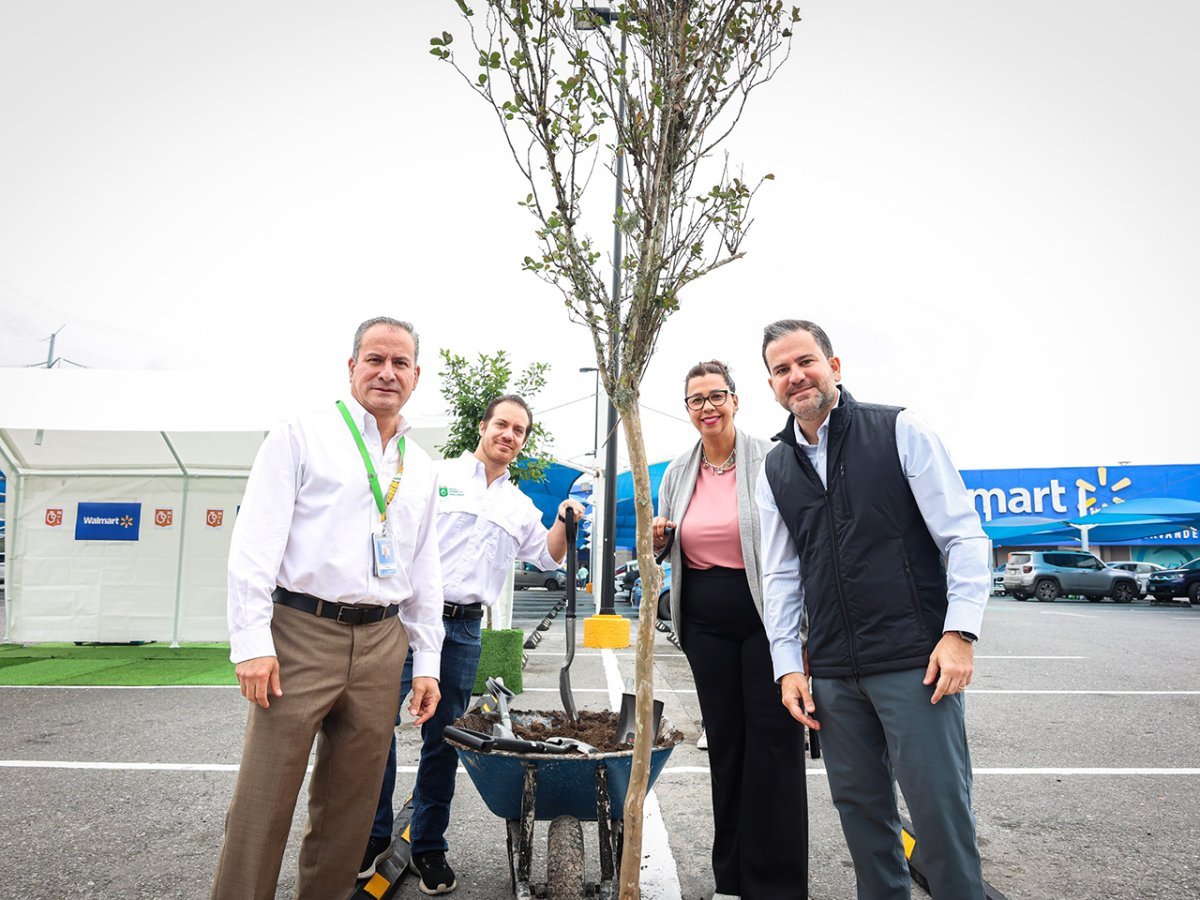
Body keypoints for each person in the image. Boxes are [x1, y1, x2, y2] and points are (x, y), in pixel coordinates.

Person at [210, 317, 445, 900]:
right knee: (265, 799)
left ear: (416, 375)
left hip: (382, 642)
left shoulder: (420, 466)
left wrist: (426, 662)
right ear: (352, 367)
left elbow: (424, 571)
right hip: (298, 633)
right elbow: (254, 544)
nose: (387, 372)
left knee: (352, 807)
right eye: (374, 359)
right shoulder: (299, 434)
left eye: (400, 363)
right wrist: (253, 642)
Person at [756, 319, 989, 899]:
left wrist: (959, 633)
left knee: (940, 817)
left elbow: (963, 537)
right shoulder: (776, 467)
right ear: (772, 386)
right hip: (833, 674)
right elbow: (781, 575)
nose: (796, 376)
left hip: (917, 664)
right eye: (781, 369)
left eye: (805, 361)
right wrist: (789, 666)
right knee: (862, 819)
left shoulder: (899, 430)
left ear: (835, 367)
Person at [363, 394, 585, 895]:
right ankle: (374, 836)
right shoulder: (432, 475)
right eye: (501, 425)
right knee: (376, 730)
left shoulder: (520, 506)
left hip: (463, 629)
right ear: (482, 427)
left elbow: (549, 557)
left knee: (445, 739)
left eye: (519, 431)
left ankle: (427, 847)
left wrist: (565, 521)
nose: (509, 435)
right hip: (403, 618)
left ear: (523, 442)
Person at [652, 360, 809, 900]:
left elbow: (797, 541)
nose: (707, 407)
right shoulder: (677, 472)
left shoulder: (771, 460)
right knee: (727, 746)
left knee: (775, 745)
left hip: (768, 618)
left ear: (737, 401)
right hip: (705, 625)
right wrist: (657, 542)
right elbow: (667, 550)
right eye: (696, 399)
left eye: (717, 395)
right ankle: (732, 880)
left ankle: (778, 885)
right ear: (688, 409)